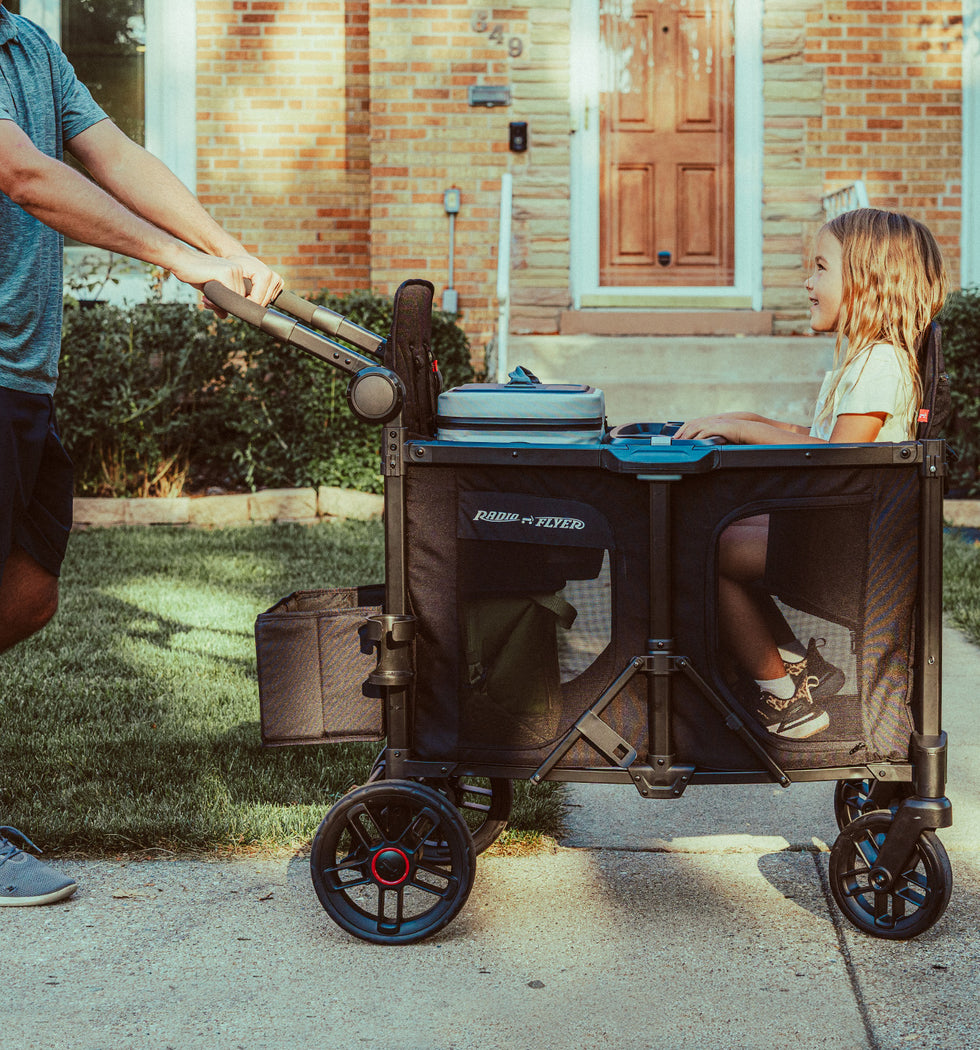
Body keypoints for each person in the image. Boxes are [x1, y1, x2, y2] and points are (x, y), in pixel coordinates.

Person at [0, 3, 283, 904]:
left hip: (23, 376)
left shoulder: (27, 44)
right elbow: (24, 174)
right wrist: (172, 257)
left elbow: (113, 154)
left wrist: (222, 250)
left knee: (26, 593)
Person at [676, 208, 948, 740]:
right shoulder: (867, 359)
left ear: (868, 282)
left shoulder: (881, 364)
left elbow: (834, 457)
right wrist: (747, 421)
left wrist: (742, 430)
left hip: (850, 551)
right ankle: (799, 664)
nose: (807, 281)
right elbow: (819, 434)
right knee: (711, 529)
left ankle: (785, 699)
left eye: (821, 268)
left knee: (703, 547)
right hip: (841, 531)